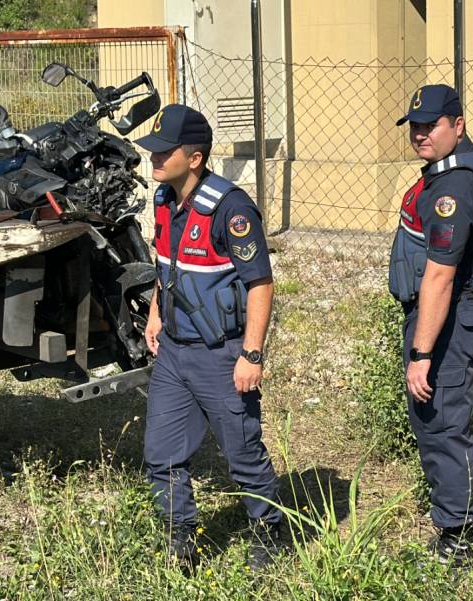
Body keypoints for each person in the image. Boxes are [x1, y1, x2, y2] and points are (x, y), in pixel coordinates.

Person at [133, 104, 284, 570]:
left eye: (164, 151)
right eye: (152, 151)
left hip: (222, 355)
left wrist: (251, 354)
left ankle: (270, 531)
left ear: (194, 157)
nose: (154, 160)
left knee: (241, 453)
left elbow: (261, 283)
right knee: (161, 453)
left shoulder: (231, 210)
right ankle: (183, 539)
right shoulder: (163, 201)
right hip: (176, 352)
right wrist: (157, 315)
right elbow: (166, 265)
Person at [388, 84, 473, 565]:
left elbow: (439, 276)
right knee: (450, 418)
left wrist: (421, 353)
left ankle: (461, 536)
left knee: (439, 422)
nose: (419, 135)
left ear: (457, 125)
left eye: (430, 126)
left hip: (447, 316)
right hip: (449, 312)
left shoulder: (455, 186)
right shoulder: (457, 168)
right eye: (414, 126)